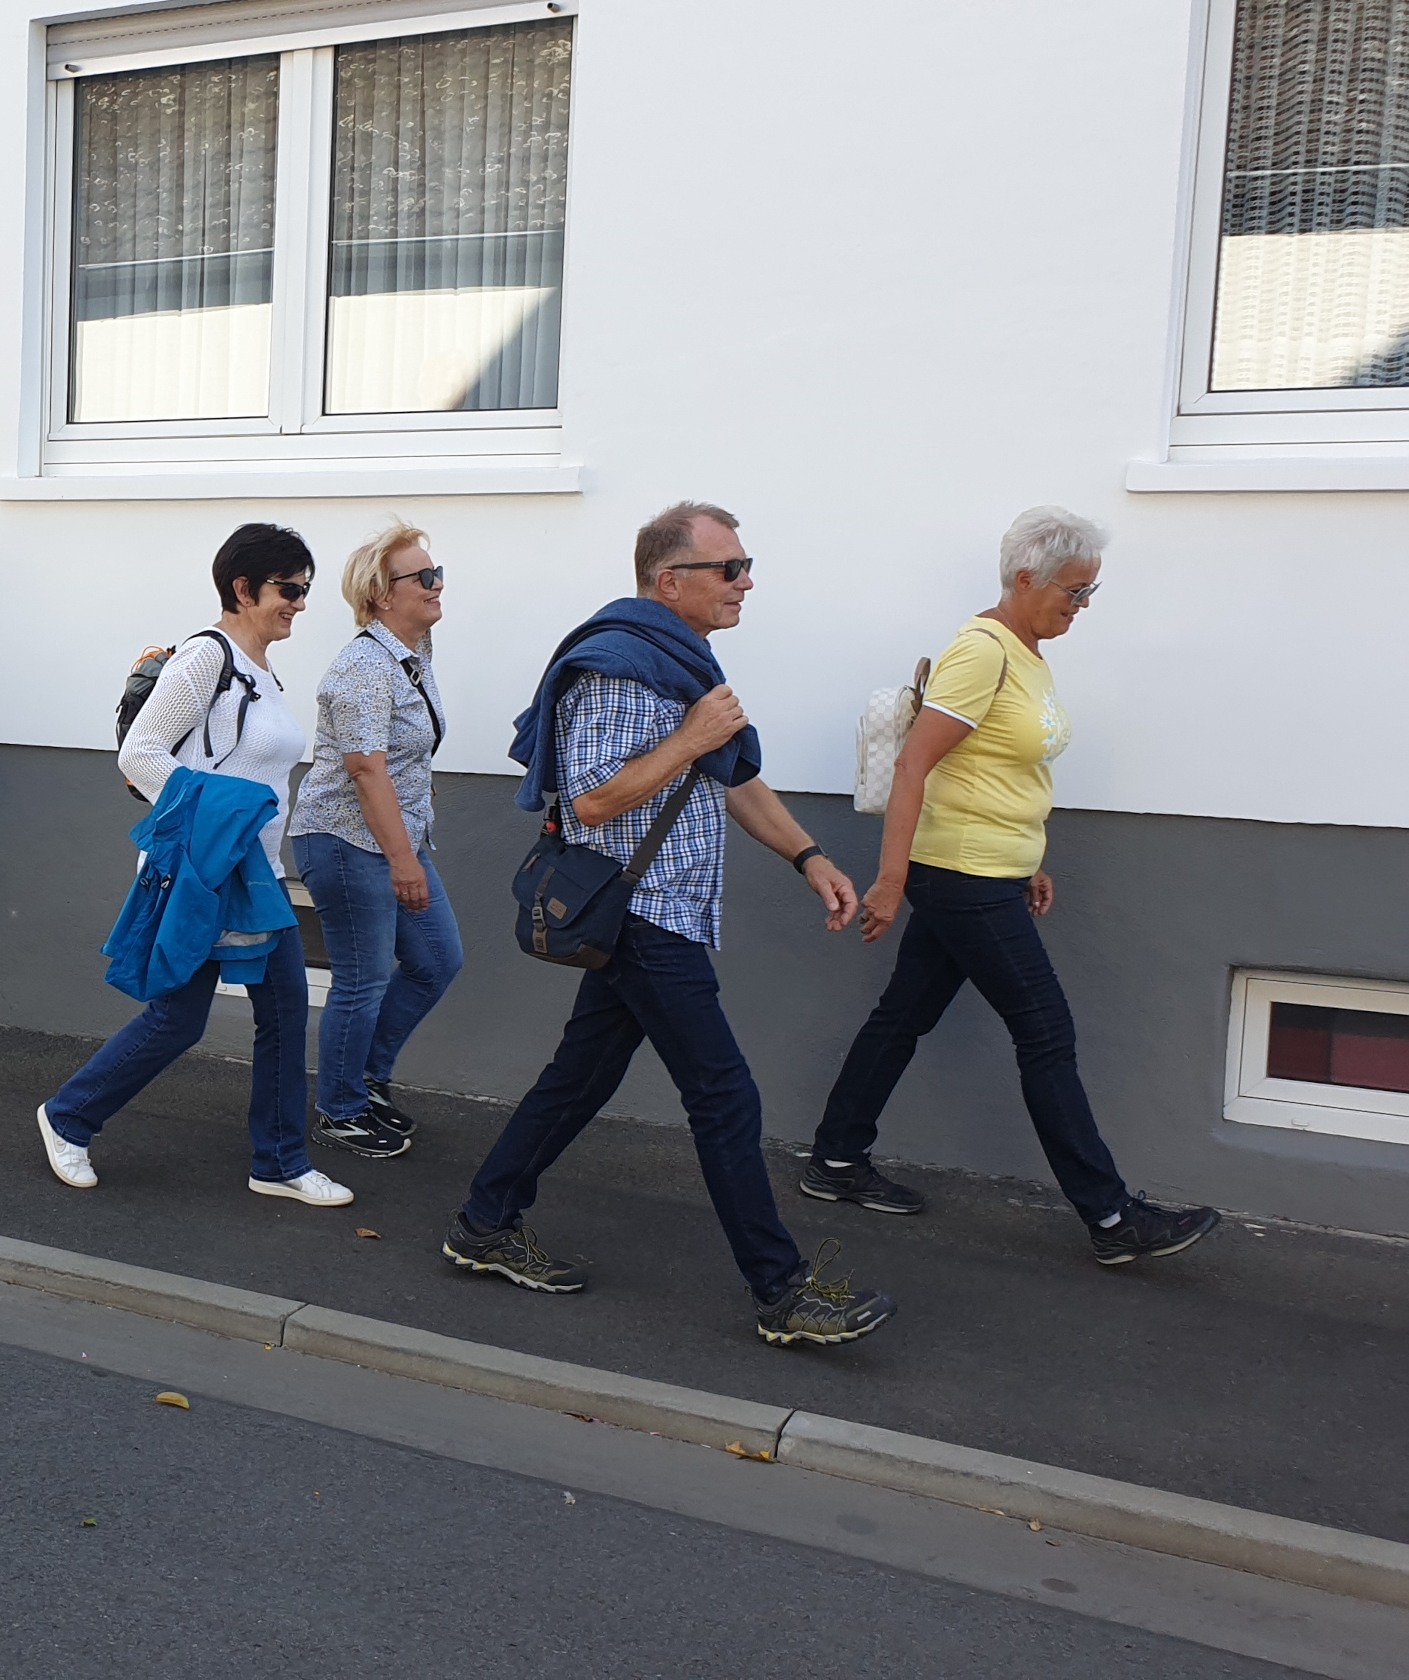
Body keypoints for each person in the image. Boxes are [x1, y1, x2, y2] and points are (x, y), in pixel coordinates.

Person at [446, 501, 896, 1349]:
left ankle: (484, 1222)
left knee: (577, 1080)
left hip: (664, 910)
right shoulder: (620, 667)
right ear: (669, 580)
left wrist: (810, 858)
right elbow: (593, 799)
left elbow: (730, 778)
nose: (745, 582)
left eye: (744, 566)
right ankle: (782, 1291)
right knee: (724, 1096)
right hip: (642, 912)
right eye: (729, 569)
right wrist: (691, 737)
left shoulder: (681, 662)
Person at [807, 508, 1221, 1266]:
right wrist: (890, 879)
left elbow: (1004, 768)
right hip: (962, 875)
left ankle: (835, 1158)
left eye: (1091, 592)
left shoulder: (1028, 653)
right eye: (1074, 591)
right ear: (1026, 578)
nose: (1082, 605)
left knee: (904, 1015)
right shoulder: (981, 652)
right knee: (1045, 1031)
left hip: (990, 868)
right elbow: (914, 765)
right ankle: (1111, 1217)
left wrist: (1030, 858)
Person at [36, 523, 356, 1208]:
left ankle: (279, 1162)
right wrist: (219, 815)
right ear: (243, 589)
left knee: (284, 1013)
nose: (300, 603)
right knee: (177, 1019)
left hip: (256, 873)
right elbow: (140, 754)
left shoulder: (261, 669)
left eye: (304, 589)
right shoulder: (207, 657)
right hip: (205, 874)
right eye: (288, 589)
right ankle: (67, 1117)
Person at [288, 522, 462, 1161]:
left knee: (437, 960)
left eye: (437, 573)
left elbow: (395, 753)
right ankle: (340, 1110)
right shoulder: (364, 666)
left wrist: (416, 792)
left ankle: (363, 1079)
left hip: (394, 836)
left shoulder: (412, 654)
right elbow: (365, 770)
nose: (437, 585)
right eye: (424, 577)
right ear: (382, 595)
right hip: (345, 842)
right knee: (362, 980)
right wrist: (403, 860)